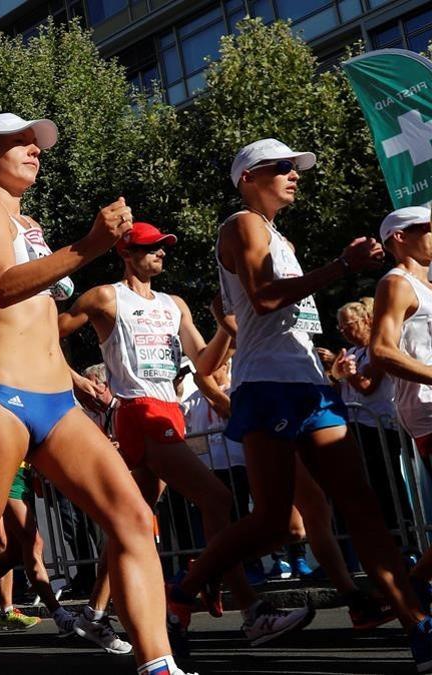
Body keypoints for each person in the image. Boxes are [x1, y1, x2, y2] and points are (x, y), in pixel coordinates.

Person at [0, 112, 185, 675]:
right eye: (16, 143)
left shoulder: (30, 223)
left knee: (135, 520)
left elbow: (40, 319)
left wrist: (76, 379)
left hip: (57, 402)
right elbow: (3, 287)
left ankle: (158, 664)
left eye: (35, 143)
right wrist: (90, 244)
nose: (33, 150)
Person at [170, 139, 431, 668]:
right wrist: (341, 265)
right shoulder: (241, 225)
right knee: (272, 521)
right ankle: (182, 592)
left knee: (361, 509)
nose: (294, 175)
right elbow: (265, 298)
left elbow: (280, 310)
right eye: (282, 168)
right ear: (248, 178)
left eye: (296, 168)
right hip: (267, 386)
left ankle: (417, 628)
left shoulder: (278, 235)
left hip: (308, 385)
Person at [60, 220, 314, 644]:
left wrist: (224, 329)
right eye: (149, 247)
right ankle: (248, 609)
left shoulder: (174, 304)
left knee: (130, 522)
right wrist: (76, 380)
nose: (159, 253)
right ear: (125, 252)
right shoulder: (106, 296)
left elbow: (203, 364)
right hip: (139, 412)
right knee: (217, 498)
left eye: (163, 247)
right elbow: (47, 334)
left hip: (169, 411)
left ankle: (94, 612)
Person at [368, 206, 432, 594]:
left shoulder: (425, 286)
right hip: (426, 411)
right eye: (427, 228)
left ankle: (415, 586)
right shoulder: (397, 284)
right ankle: (413, 586)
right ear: (399, 237)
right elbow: (381, 351)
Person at [334, 298, 410, 542]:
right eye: (341, 328)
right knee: (370, 485)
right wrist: (338, 374)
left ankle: (403, 535)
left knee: (388, 484)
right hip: (359, 427)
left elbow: (367, 386)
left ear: (367, 320)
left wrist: (349, 375)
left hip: (381, 426)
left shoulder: (378, 349)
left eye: (349, 325)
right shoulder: (355, 352)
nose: (345, 331)